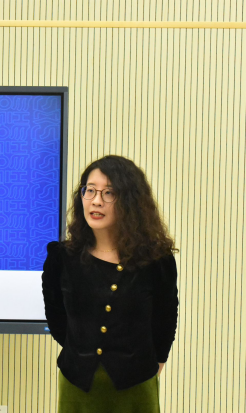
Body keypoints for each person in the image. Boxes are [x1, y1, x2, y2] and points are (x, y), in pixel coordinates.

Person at [42, 155, 179, 413]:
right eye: (90, 190)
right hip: (78, 383)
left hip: (136, 384)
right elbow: (57, 319)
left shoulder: (156, 260)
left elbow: (164, 318)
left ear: (130, 200)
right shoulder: (62, 258)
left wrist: (154, 362)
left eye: (109, 193)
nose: (96, 201)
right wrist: (82, 351)